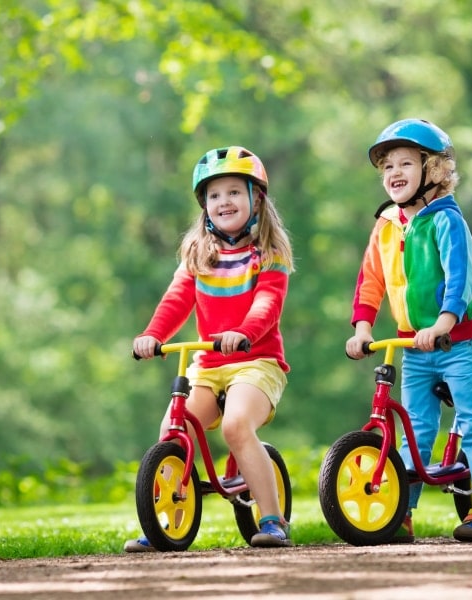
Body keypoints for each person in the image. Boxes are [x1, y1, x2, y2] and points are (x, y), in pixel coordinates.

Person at [125, 146, 295, 551]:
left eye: (235, 192)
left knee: (237, 425)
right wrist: (153, 335)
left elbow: (267, 305)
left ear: (257, 200)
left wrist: (244, 331)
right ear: (204, 206)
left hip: (257, 362)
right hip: (208, 363)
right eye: (215, 195)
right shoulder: (198, 255)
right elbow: (176, 301)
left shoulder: (268, 254)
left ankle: (272, 520)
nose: (224, 202)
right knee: (173, 430)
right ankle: (163, 524)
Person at [345, 119, 472, 543]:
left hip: (455, 343)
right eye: (387, 167)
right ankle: (402, 514)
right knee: (414, 428)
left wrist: (443, 324)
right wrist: (362, 329)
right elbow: (371, 281)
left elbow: (460, 278)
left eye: (405, 163)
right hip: (411, 347)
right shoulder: (386, 225)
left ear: (432, 169)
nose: (393, 172)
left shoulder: (446, 220)